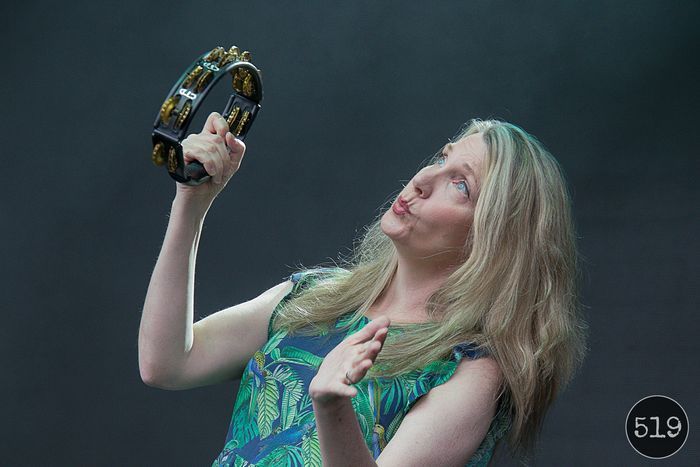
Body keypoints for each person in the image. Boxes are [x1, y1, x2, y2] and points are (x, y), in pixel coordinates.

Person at [138, 112, 587, 466]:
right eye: (441, 158)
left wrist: (332, 407)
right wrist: (192, 203)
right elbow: (167, 363)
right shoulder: (314, 296)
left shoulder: (469, 369)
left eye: (460, 185)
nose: (422, 180)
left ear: (494, 238)